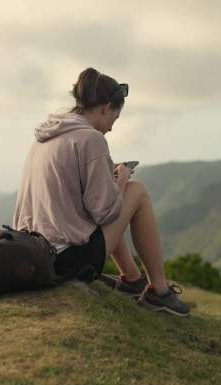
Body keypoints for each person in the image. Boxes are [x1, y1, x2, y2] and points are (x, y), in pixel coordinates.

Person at [13, 67, 190, 317]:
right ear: (106, 108)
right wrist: (121, 180)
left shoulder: (47, 135)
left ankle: (131, 279)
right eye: (114, 119)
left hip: (35, 252)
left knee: (115, 193)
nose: (111, 128)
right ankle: (159, 292)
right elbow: (105, 212)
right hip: (66, 260)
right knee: (137, 191)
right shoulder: (91, 139)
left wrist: (108, 180)